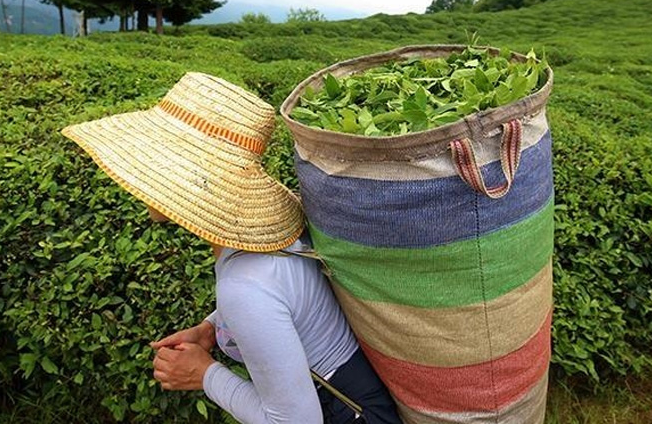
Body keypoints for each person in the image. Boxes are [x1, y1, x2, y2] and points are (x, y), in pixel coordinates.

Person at [61, 72, 402, 424]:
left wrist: (204, 374)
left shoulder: (243, 286)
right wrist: (212, 329)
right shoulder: (263, 248)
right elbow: (287, 303)